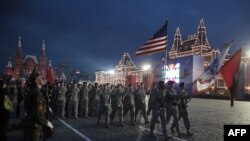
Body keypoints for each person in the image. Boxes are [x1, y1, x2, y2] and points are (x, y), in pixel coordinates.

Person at [23, 68, 54, 141]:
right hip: (35, 127)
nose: (43, 79)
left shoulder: (34, 91)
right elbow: (38, 114)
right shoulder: (37, 94)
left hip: (31, 124)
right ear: (36, 80)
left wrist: (46, 107)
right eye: (40, 77)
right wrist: (47, 122)